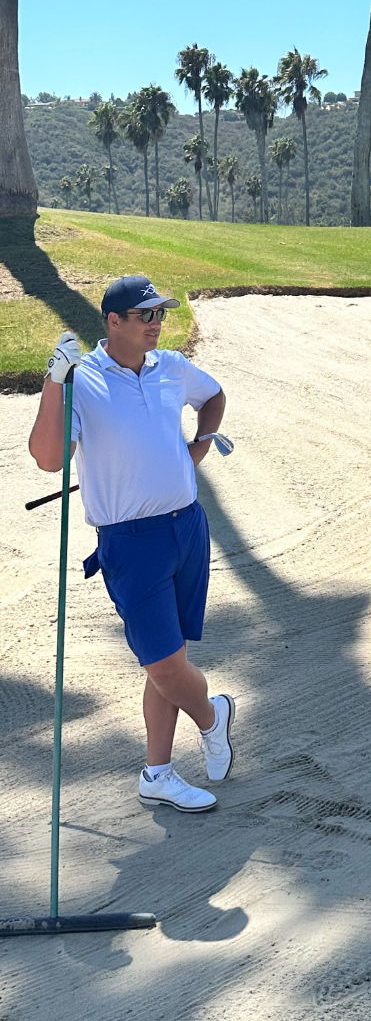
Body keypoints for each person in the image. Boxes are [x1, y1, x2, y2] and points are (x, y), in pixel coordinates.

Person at [29, 275, 235, 812]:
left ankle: (157, 774)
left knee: (169, 657)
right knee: (163, 664)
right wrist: (55, 381)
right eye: (146, 315)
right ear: (114, 321)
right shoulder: (83, 380)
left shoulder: (171, 367)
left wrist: (199, 446)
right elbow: (48, 459)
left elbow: (213, 396)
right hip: (130, 541)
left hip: (187, 527)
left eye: (160, 314)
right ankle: (212, 715)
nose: (157, 323)